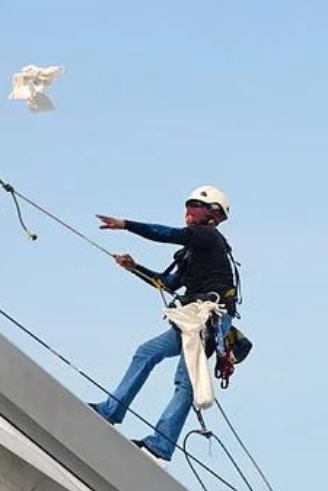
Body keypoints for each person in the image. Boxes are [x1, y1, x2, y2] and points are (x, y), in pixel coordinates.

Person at [89, 186, 241, 465]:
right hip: (191, 316)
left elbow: (166, 234)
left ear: (213, 214)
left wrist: (125, 225)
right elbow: (168, 284)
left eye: (196, 205)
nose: (189, 210)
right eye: (189, 205)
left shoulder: (208, 236)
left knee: (185, 380)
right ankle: (111, 410)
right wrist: (135, 267)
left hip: (210, 318)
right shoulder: (190, 252)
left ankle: (162, 443)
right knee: (147, 351)